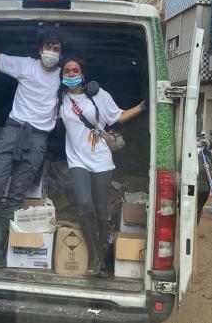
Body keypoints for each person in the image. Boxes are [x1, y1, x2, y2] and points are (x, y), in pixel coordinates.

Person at [0, 32, 100, 268]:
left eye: (57, 48)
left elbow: (80, 87)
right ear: (40, 49)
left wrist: (93, 88)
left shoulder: (62, 76)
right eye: (49, 46)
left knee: (16, 197)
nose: (52, 51)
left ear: (60, 54)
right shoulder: (25, 65)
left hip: (38, 139)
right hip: (13, 132)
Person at [56, 58, 146, 275]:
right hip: (77, 160)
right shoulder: (60, 98)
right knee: (85, 205)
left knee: (102, 209)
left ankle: (101, 254)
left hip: (101, 160)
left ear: (83, 74)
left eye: (75, 70)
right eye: (67, 71)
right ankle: (96, 256)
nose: (71, 74)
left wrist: (144, 105)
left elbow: (120, 117)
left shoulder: (97, 95)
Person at [197, 137, 212, 227]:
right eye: (196, 146)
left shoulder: (206, 159)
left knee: (198, 209)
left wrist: (208, 169)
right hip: (190, 188)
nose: (198, 148)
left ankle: (195, 226)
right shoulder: (186, 158)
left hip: (203, 188)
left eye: (200, 147)